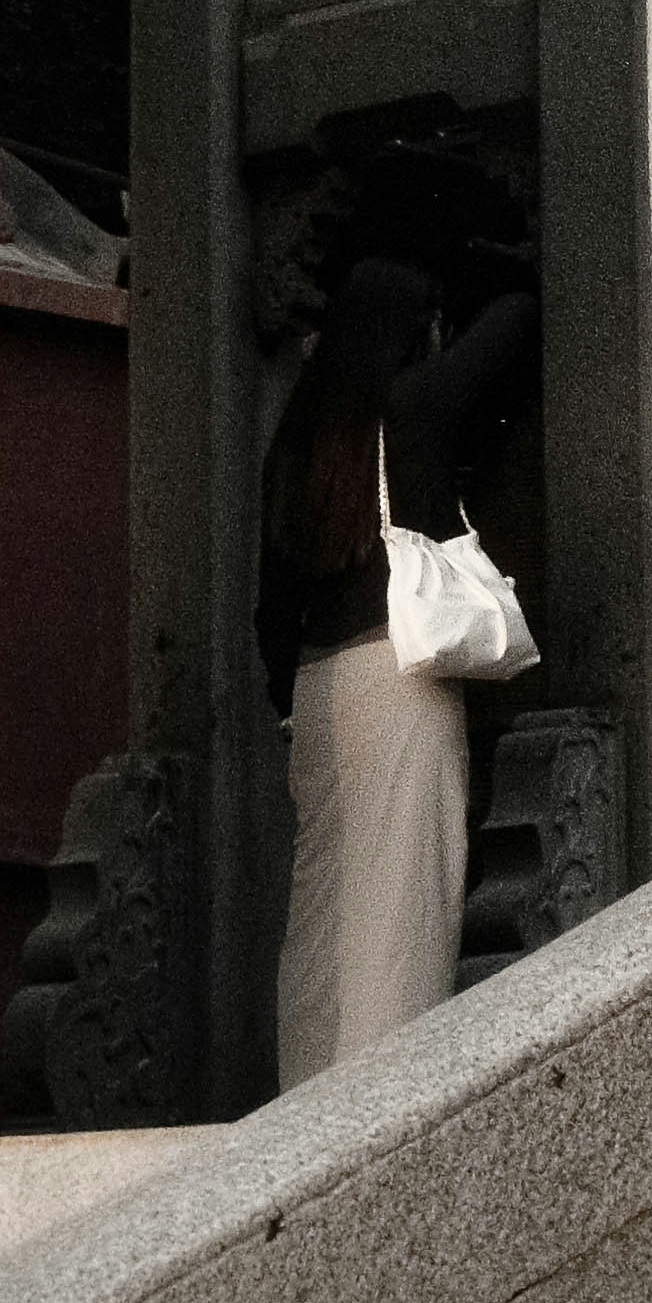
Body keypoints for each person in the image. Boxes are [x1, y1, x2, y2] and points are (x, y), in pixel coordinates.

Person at [257, 262, 547, 1083]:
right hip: (400, 679)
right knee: (403, 919)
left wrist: (293, 702)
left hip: (317, 695)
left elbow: (268, 614)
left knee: (324, 930)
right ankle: (383, 1115)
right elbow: (517, 314)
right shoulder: (410, 409)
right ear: (410, 333)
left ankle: (306, 1116)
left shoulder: (293, 445)